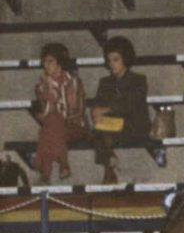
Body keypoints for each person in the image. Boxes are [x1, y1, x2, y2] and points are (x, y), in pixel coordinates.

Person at [90, 36, 150, 184]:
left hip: (133, 125)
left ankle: (109, 168)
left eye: (116, 60)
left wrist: (105, 110)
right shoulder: (104, 82)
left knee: (101, 131)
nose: (112, 64)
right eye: (109, 60)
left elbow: (129, 105)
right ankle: (110, 163)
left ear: (125, 59)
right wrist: (96, 113)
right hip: (113, 125)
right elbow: (98, 104)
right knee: (98, 129)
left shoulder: (139, 80)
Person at [32, 42, 87, 183]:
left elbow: (75, 112)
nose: (46, 65)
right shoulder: (41, 87)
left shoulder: (74, 82)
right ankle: (63, 164)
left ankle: (45, 175)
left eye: (50, 61)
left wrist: (52, 111)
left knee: (50, 127)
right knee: (52, 124)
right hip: (55, 129)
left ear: (60, 62)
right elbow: (47, 112)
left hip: (75, 126)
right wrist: (49, 89)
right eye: (44, 62)